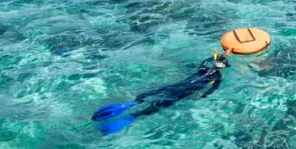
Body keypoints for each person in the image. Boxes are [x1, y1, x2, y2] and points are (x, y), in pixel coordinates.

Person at [92, 51, 230, 135]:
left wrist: (221, 55)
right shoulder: (217, 77)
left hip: (176, 86)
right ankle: (135, 115)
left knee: (155, 92)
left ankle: (133, 103)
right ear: (223, 68)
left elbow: (206, 60)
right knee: (160, 104)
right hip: (184, 92)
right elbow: (211, 90)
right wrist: (202, 96)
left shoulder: (202, 68)